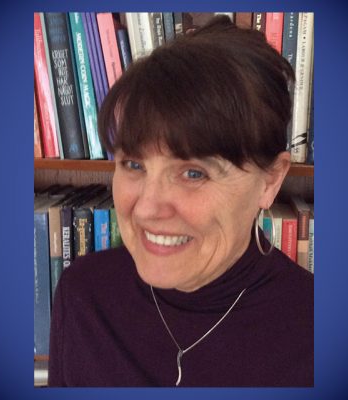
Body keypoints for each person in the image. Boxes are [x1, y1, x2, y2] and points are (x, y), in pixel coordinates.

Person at [48, 15, 313, 387]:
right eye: (134, 164)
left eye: (193, 173)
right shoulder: (84, 295)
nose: (146, 208)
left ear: (270, 181)